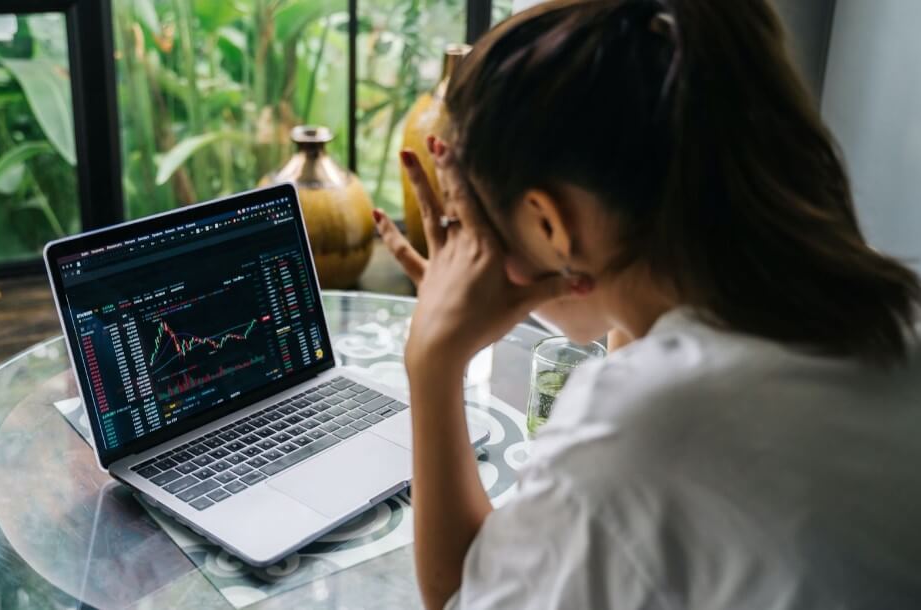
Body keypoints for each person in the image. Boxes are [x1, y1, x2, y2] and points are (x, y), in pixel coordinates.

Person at [372, 0, 921, 607]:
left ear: (548, 222)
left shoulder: (639, 427)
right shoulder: (893, 314)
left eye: (476, 226)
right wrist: (612, 294)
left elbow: (459, 598)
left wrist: (433, 356)